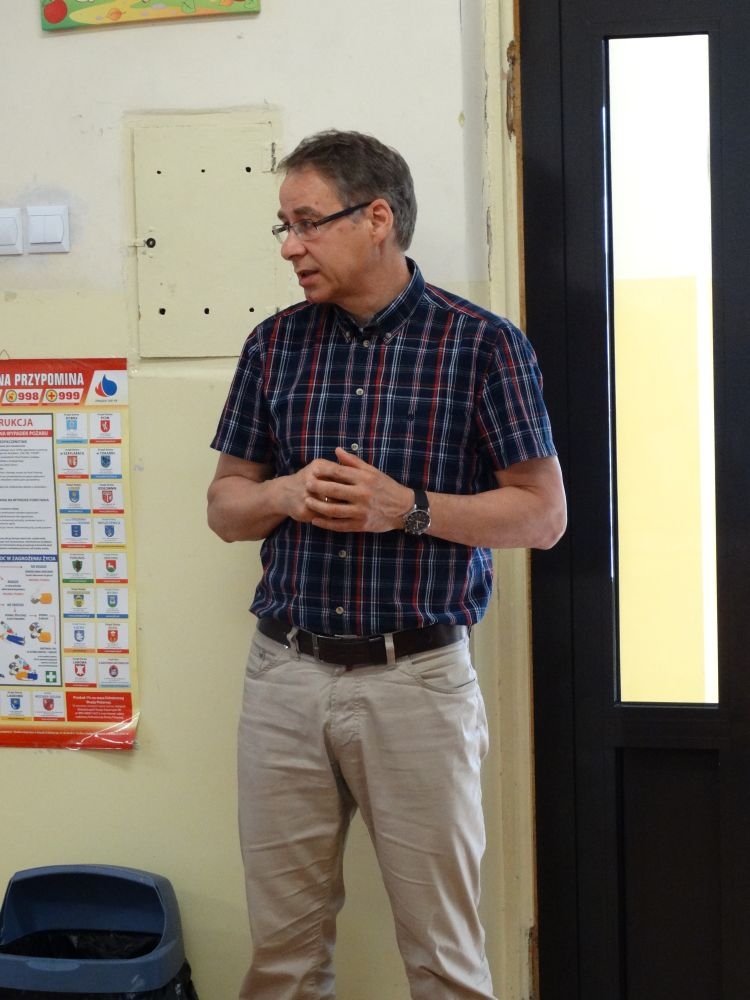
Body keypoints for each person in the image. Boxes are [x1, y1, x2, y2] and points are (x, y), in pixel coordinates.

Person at [207, 129, 566, 1000]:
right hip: (285, 676)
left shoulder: (483, 345)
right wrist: (283, 493)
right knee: (282, 959)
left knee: (443, 960)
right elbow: (224, 508)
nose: (290, 246)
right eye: (284, 227)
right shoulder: (273, 346)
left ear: (376, 219)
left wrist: (406, 507)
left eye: (307, 223)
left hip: (418, 683)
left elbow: (543, 515)